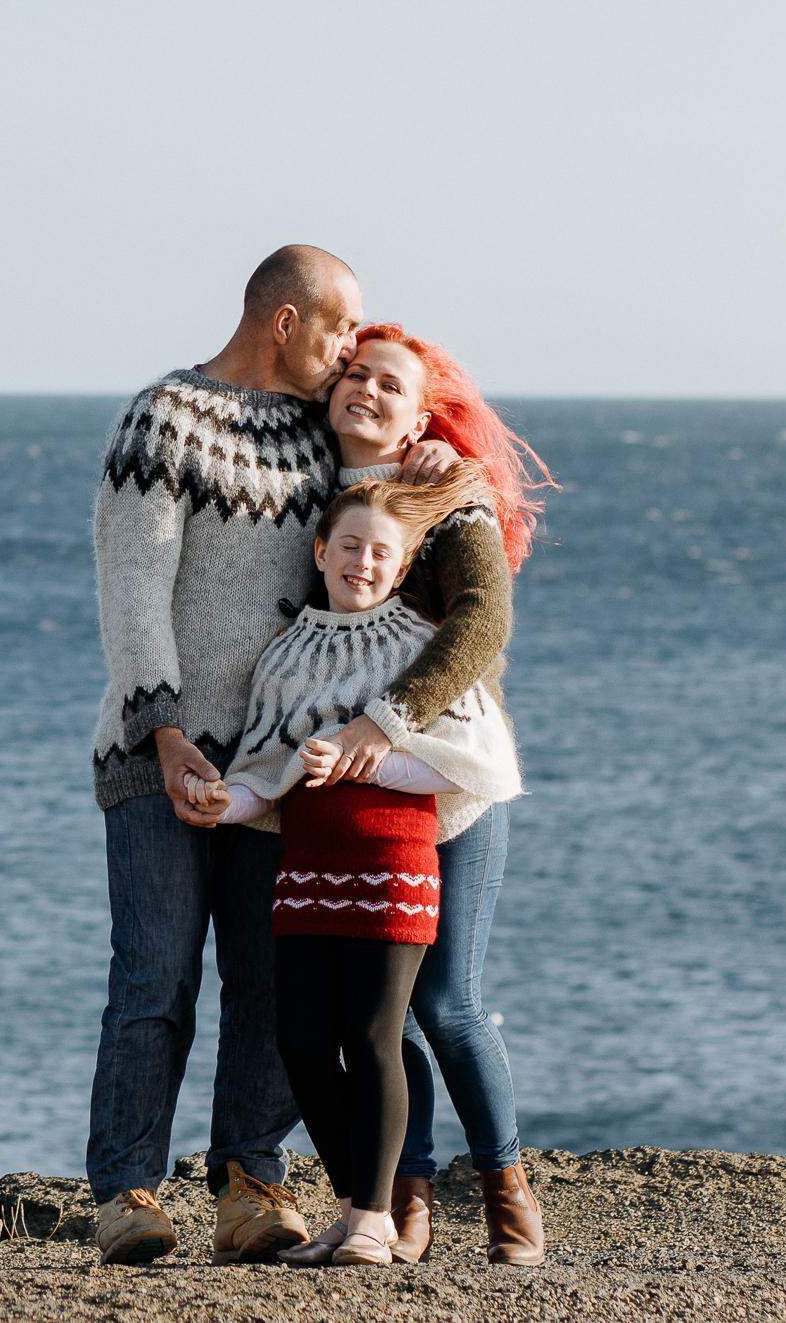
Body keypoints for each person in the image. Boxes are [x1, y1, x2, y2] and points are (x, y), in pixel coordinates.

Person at [83, 245, 457, 1267]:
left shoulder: (316, 433)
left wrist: (427, 466)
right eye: (340, 330)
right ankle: (126, 1190)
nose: (349, 352)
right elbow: (131, 584)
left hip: (277, 765)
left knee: (267, 984)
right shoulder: (165, 417)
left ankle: (249, 1178)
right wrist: (161, 731)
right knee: (153, 979)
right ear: (285, 321)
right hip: (157, 753)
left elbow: (377, 527)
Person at [182, 475, 523, 1266]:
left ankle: (376, 1216)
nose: (362, 563)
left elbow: (474, 767)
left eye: (380, 552)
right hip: (305, 870)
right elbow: (268, 773)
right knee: (302, 1040)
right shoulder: (286, 654)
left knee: (372, 1037)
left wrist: (366, 762)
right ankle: (352, 1209)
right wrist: (219, 799)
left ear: (401, 565)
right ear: (319, 552)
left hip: (393, 869)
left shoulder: (418, 644)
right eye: (349, 548)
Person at [310, 325, 557, 1266]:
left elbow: (484, 621)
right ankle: (404, 1198)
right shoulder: (313, 490)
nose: (366, 390)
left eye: (390, 383)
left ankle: (507, 1193)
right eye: (355, 375)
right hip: (353, 795)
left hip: (444, 777)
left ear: (421, 414)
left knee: (449, 999)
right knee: (381, 1009)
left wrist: (385, 721)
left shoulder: (448, 491)